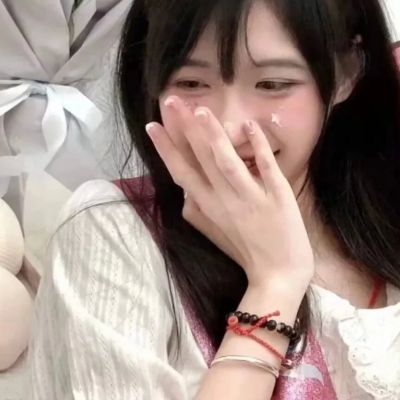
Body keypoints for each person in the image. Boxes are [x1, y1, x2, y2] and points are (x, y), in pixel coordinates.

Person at [28, 0, 400, 398]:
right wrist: (273, 285)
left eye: (273, 84)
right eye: (191, 84)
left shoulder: (386, 218)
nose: (229, 128)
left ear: (346, 72)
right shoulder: (113, 231)